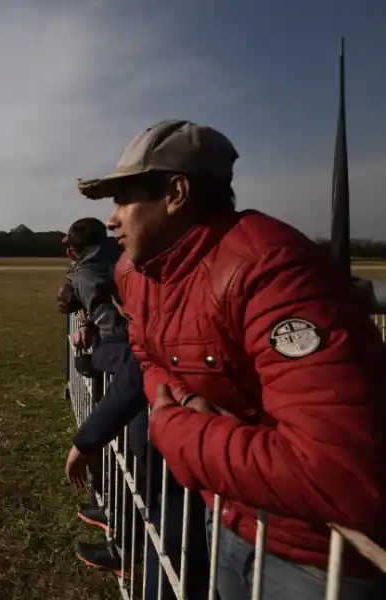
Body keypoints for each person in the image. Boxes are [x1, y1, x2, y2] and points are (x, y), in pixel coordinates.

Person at [77, 118, 386, 599]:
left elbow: (339, 476)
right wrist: (181, 399)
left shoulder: (271, 268)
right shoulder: (138, 273)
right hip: (224, 513)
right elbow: (146, 351)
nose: (112, 219)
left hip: (315, 559)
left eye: (124, 199)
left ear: (176, 193)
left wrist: (171, 425)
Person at [59, 217, 212, 599]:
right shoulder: (127, 260)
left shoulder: (113, 270)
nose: (116, 219)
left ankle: (129, 552)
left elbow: (127, 341)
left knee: (156, 485)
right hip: (162, 395)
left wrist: (94, 358)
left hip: (161, 405)